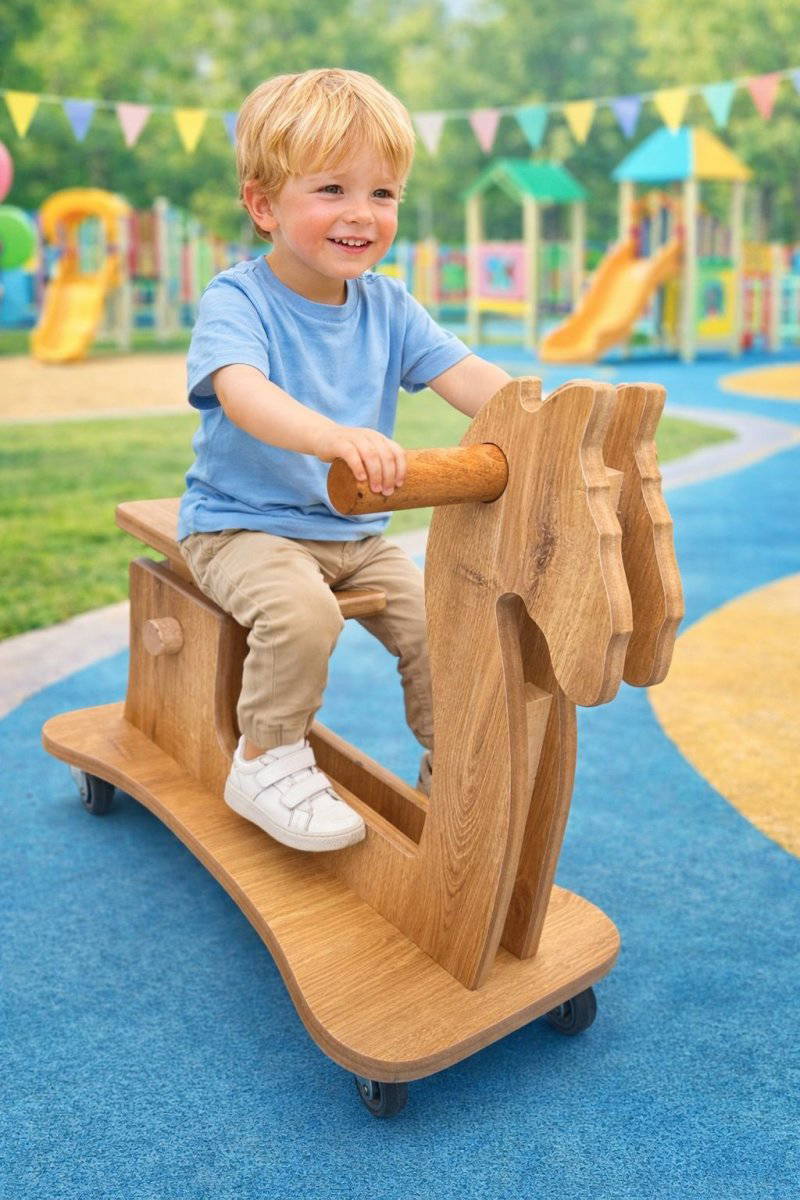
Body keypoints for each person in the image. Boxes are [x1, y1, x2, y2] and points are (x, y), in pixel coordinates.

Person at [178, 67, 511, 853]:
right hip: (243, 527)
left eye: (383, 193)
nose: (362, 212)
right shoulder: (239, 300)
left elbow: (468, 377)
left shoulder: (389, 305)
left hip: (353, 536)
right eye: (332, 189)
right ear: (264, 205)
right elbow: (242, 391)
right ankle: (265, 756)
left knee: (442, 621)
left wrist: (545, 415)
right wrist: (333, 436)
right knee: (302, 614)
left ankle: (452, 769)